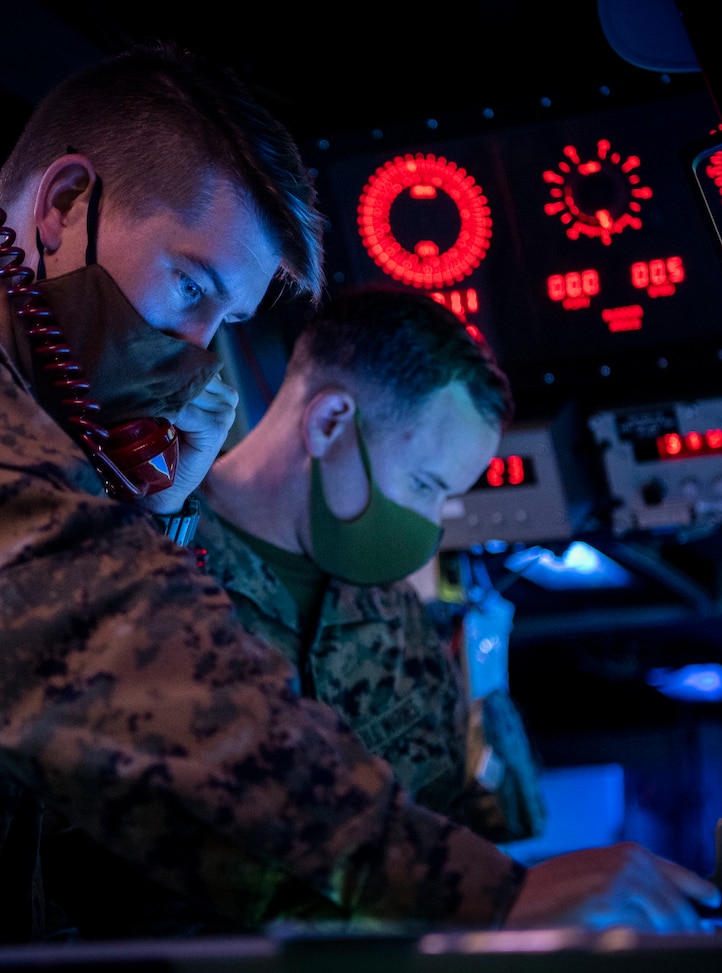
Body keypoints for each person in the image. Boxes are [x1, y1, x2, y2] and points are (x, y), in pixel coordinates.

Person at [0, 39, 719, 973]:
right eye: (190, 289)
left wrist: (148, 509)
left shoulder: (22, 411)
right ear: (60, 204)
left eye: (227, 322)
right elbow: (66, 637)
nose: (201, 357)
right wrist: (472, 890)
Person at [198, 287, 547, 842]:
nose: (431, 528)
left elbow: (464, 829)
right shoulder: (148, 564)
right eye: (424, 485)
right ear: (331, 422)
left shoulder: (397, 617)